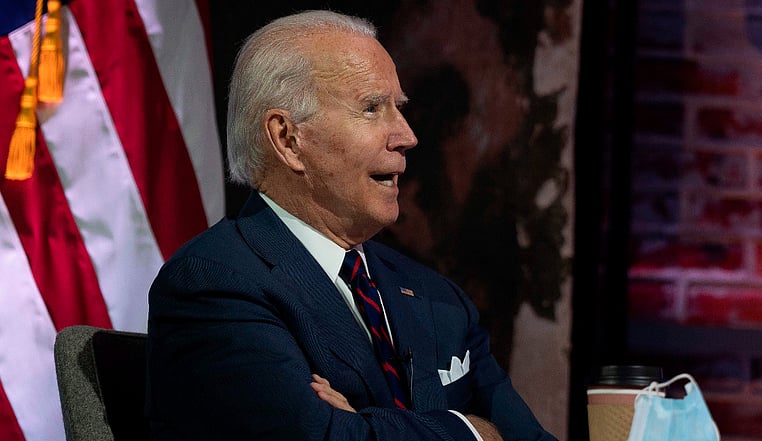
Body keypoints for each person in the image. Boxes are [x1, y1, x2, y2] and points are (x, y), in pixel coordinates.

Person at [146, 9, 558, 441]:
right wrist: (471, 432)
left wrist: (362, 422)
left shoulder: (440, 299)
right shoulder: (214, 286)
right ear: (288, 139)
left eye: (398, 108)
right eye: (371, 108)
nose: (407, 136)